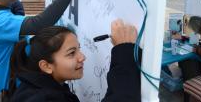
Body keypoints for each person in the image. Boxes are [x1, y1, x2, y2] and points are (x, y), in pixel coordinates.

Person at [10, 19, 141, 102]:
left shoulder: (36, 87)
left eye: (79, 49)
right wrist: (124, 50)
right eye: (71, 53)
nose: (82, 57)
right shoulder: (43, 98)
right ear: (46, 66)